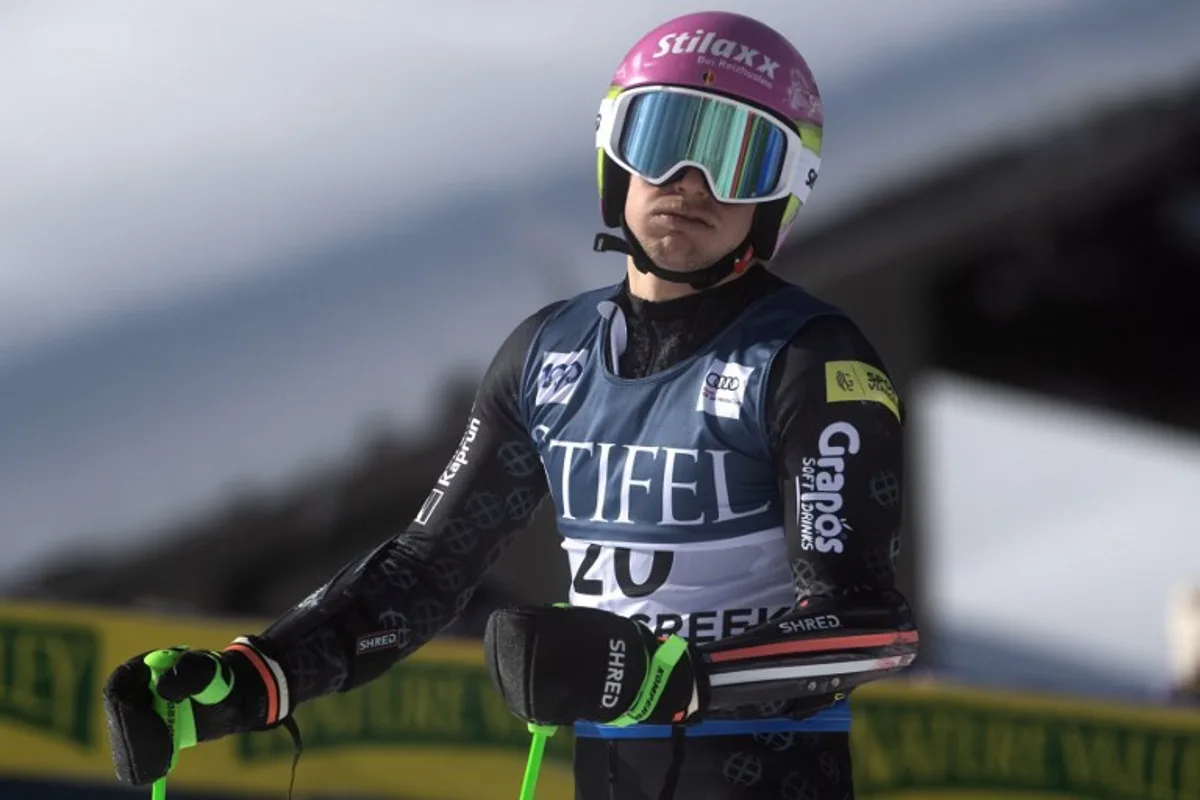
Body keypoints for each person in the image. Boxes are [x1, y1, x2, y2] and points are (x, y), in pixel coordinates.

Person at [103, 10, 918, 800]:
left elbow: (868, 628)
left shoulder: (810, 361)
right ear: (614, 155)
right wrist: (254, 678)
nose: (689, 184)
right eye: (663, 138)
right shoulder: (549, 353)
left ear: (783, 192)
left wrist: (669, 676)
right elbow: (427, 571)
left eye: (737, 157)